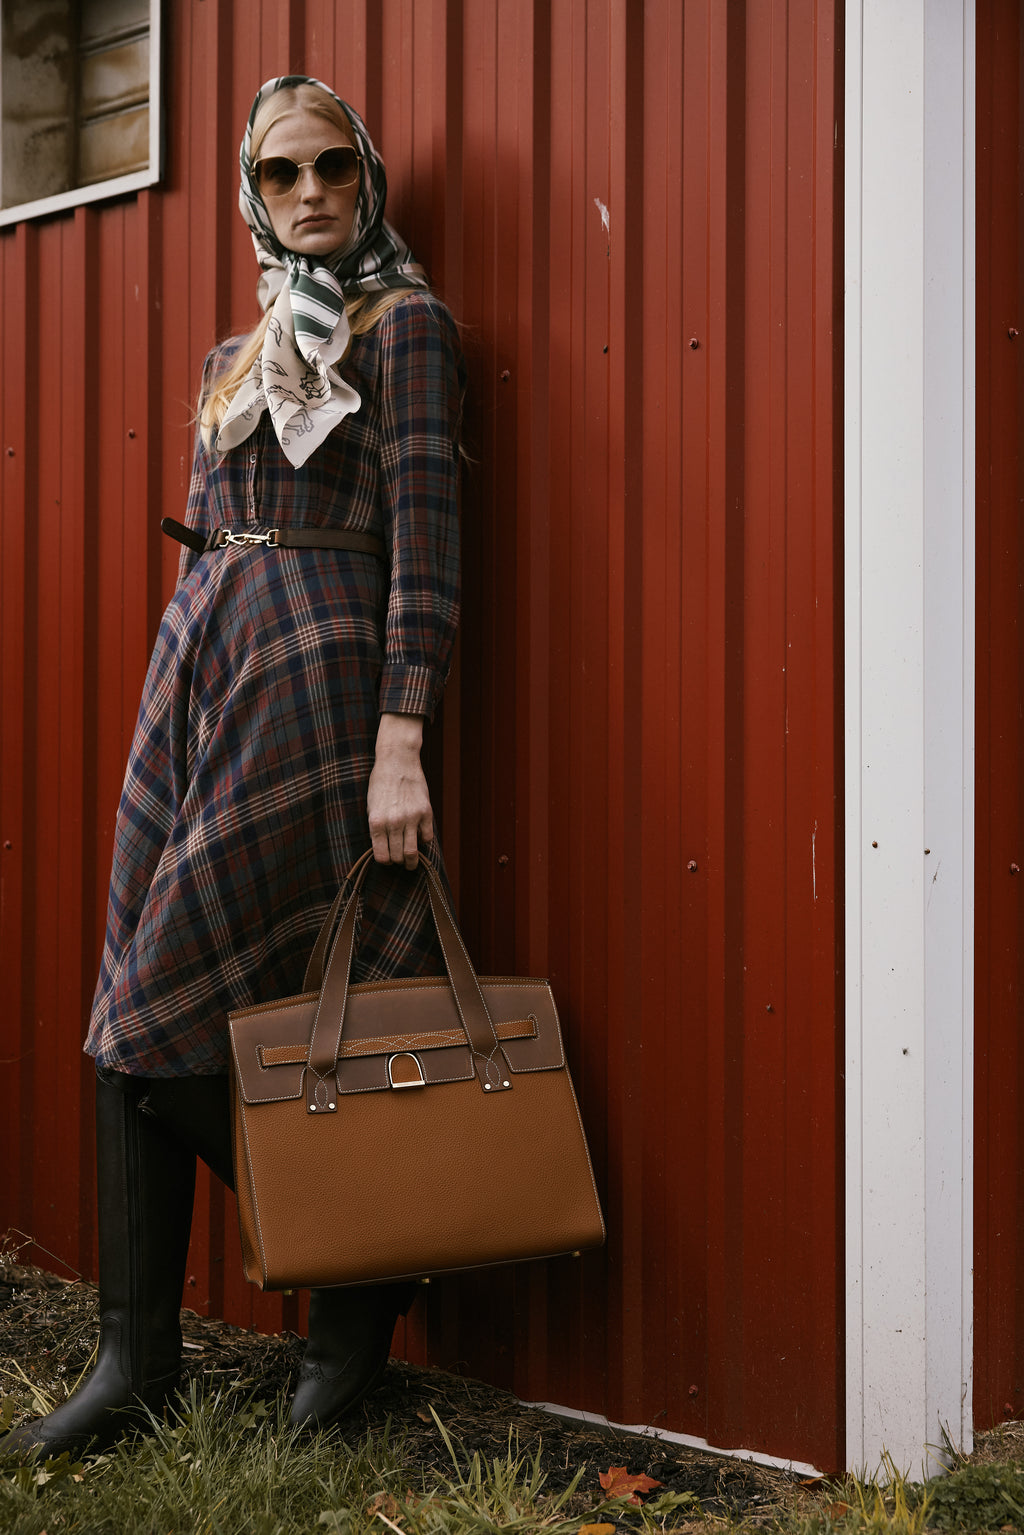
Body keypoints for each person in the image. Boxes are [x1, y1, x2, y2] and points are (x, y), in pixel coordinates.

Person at [0, 74, 465, 1460]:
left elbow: (429, 545)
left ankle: (362, 1275)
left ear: (367, 178)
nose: (310, 192)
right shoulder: (237, 354)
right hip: (203, 672)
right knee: (121, 1010)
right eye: (279, 174)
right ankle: (134, 1362)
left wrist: (402, 739)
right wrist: (185, 670)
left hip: (320, 687)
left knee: (153, 1015)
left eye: (333, 167)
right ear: (250, 195)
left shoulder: (408, 327)